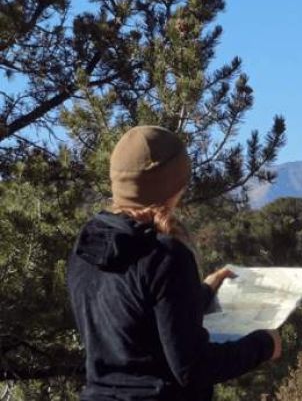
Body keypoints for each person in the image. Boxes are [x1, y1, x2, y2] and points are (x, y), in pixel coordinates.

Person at [66, 125, 281, 401]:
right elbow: (193, 367)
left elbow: (133, 317)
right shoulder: (165, 255)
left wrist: (200, 293)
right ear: (175, 184)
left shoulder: (87, 244)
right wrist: (264, 345)